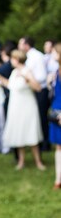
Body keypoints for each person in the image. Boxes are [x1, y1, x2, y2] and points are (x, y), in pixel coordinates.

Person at [0, 50, 45, 170]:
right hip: (15, 106)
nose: (11, 61)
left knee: (31, 131)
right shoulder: (14, 71)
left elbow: (38, 87)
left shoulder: (27, 71)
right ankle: (21, 161)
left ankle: (38, 162)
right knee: (19, 132)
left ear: (17, 59)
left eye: (12, 58)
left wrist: (26, 78)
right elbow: (11, 86)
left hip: (27, 106)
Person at [18, 37, 49, 151]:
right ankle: (38, 143)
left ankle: (45, 145)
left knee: (42, 118)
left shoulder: (36, 56)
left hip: (40, 90)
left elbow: (42, 76)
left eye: (20, 44)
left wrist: (29, 78)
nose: (19, 46)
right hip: (32, 89)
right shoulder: (29, 56)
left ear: (26, 45)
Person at [48, 43, 61, 189]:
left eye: (54, 53)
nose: (52, 55)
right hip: (56, 110)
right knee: (59, 146)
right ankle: (58, 179)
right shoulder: (56, 71)